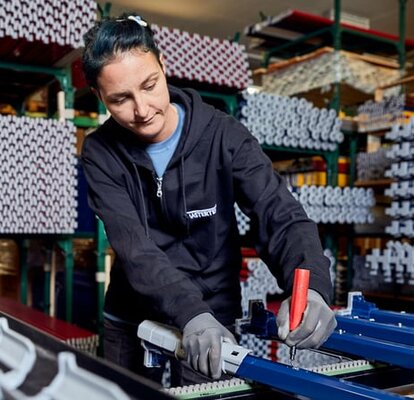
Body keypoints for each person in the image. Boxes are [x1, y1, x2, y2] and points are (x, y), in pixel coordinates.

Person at [81, 14, 337, 386]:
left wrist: (312, 284)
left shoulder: (224, 135)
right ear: (99, 96)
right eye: (120, 99)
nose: (142, 109)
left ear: (163, 67)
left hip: (212, 319)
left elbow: (278, 213)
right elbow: (134, 246)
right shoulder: (101, 152)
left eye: (150, 85)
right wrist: (189, 313)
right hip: (133, 315)